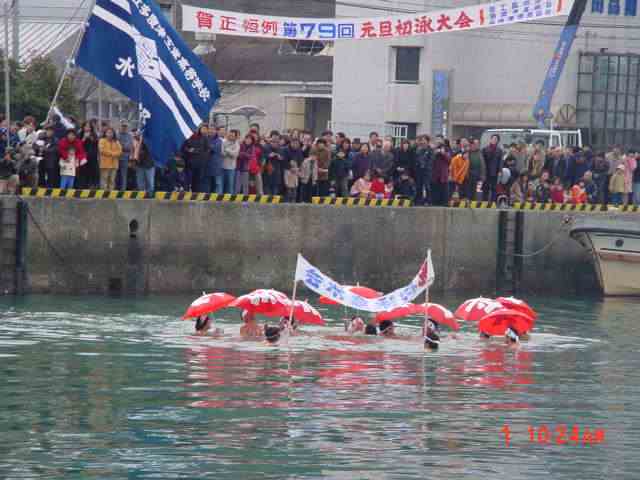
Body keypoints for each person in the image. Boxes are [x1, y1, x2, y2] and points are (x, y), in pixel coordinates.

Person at [181, 125, 210, 193]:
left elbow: (207, 149)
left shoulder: (204, 138)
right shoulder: (187, 136)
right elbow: (183, 147)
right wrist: (188, 150)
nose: (196, 129)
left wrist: (198, 153)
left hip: (200, 163)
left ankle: (196, 194)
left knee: (198, 181)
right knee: (187, 180)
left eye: (197, 128)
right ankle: (186, 193)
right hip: (189, 163)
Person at [482, 134, 503, 201]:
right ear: (490, 139)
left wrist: (500, 171)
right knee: (485, 187)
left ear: (498, 141)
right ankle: (484, 201)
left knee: (494, 188)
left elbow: (500, 161)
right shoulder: (485, 149)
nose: (494, 140)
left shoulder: (499, 150)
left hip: (495, 171)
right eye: (493, 139)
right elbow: (482, 161)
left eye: (496, 139)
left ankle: (493, 201)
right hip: (486, 172)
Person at [206, 126, 224, 194]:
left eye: (213, 129)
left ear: (216, 131)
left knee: (217, 184)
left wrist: (208, 147)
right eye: (210, 129)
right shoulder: (205, 139)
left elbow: (214, 148)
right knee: (208, 184)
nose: (211, 131)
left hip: (216, 165)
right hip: (207, 165)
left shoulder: (219, 141)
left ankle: (218, 198)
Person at [221, 130, 239, 194]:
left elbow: (235, 155)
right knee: (222, 185)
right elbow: (222, 153)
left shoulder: (237, 144)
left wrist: (227, 150)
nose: (230, 136)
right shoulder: (224, 142)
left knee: (230, 185)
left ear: (235, 136)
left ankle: (230, 198)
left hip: (231, 168)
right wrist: (231, 151)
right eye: (230, 134)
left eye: (232, 135)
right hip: (222, 167)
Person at [117, 122, 133, 190]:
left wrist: (121, 146)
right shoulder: (117, 135)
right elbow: (116, 146)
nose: (124, 127)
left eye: (125, 126)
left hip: (125, 158)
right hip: (116, 157)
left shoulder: (130, 136)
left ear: (127, 127)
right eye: (123, 126)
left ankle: (123, 190)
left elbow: (129, 147)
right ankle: (115, 190)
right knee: (115, 175)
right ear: (120, 126)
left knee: (124, 175)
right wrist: (122, 147)